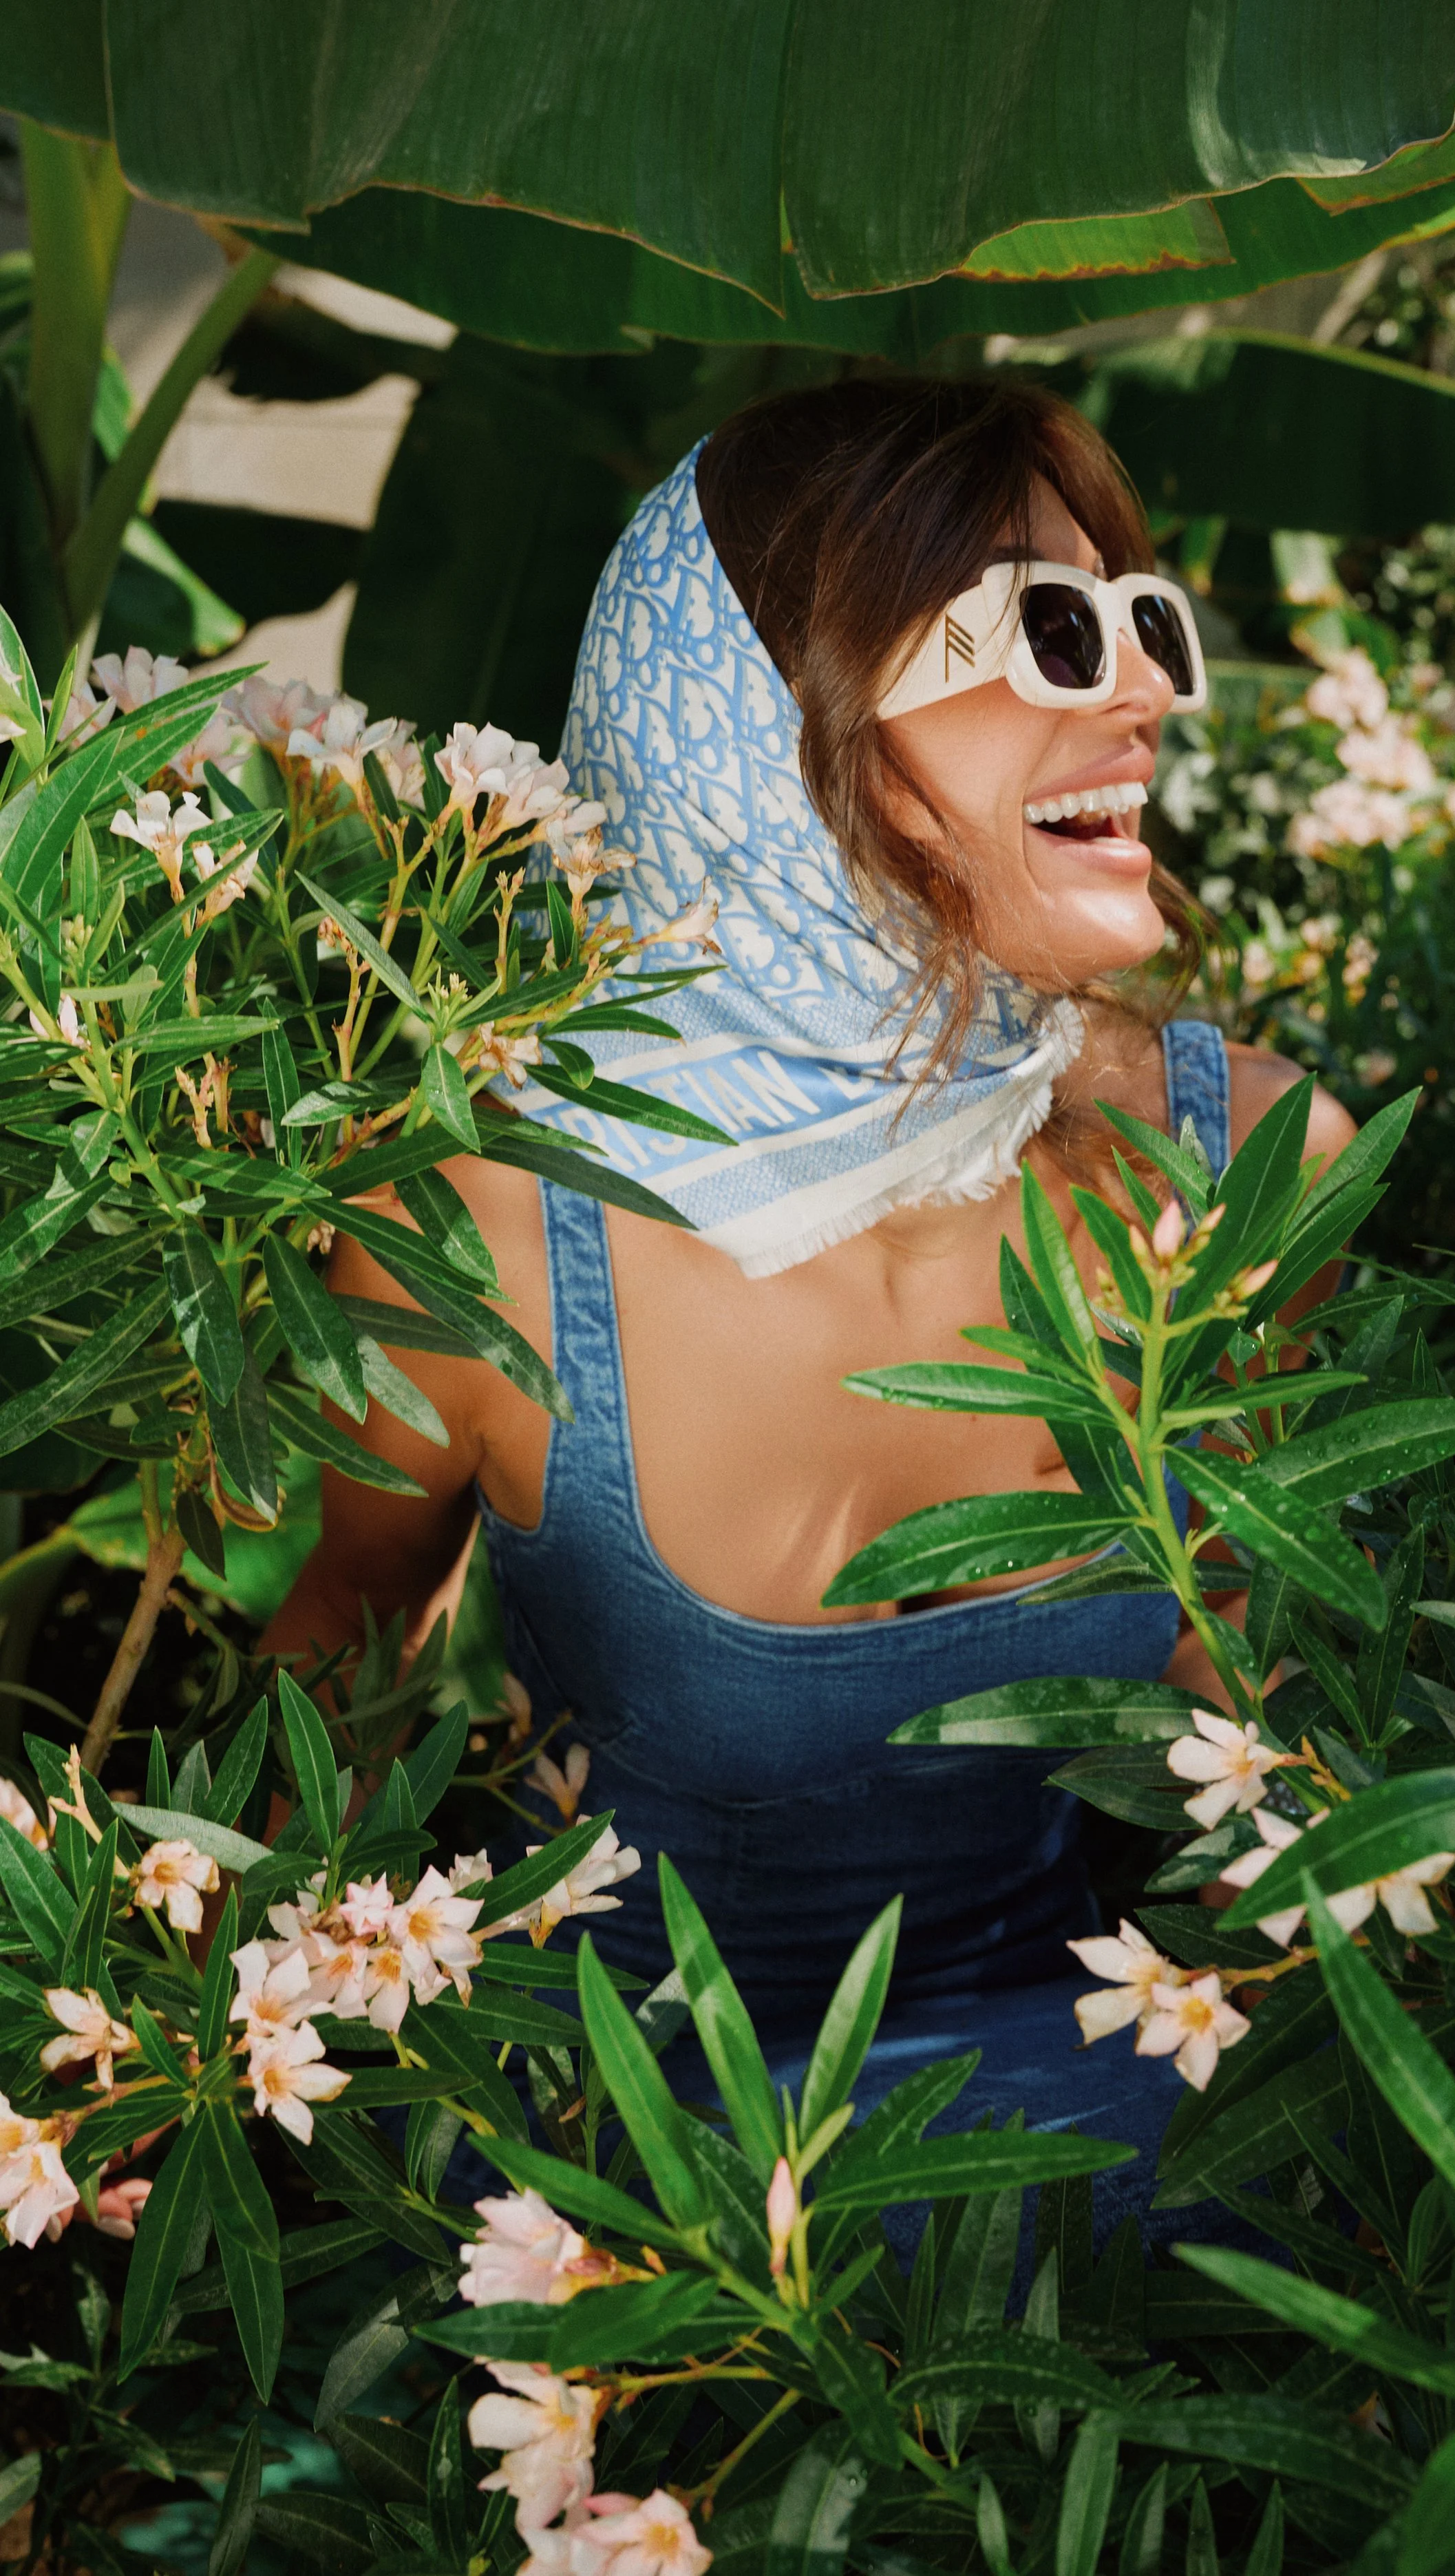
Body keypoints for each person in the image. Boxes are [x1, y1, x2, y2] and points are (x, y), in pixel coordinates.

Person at [264, 377, 1352, 2240]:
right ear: (760, 727)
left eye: (1144, 622)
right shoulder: (497, 1226)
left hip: (1090, 2107)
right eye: (1048, 631)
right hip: (597, 2171)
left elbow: (1263, 1707)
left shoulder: (1244, 1155)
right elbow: (332, 1677)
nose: (1153, 690)